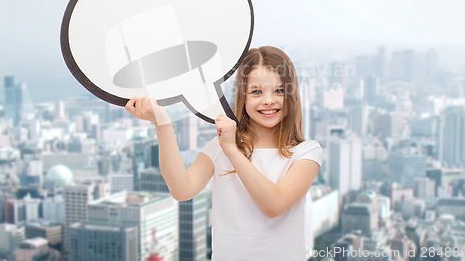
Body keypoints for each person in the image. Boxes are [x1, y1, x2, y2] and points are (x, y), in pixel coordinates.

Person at [126, 46, 323, 261]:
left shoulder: (306, 152)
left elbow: (274, 205)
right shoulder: (218, 146)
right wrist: (162, 122)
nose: (268, 100)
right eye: (256, 91)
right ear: (243, 96)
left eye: (279, 91)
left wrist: (231, 149)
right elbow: (182, 189)